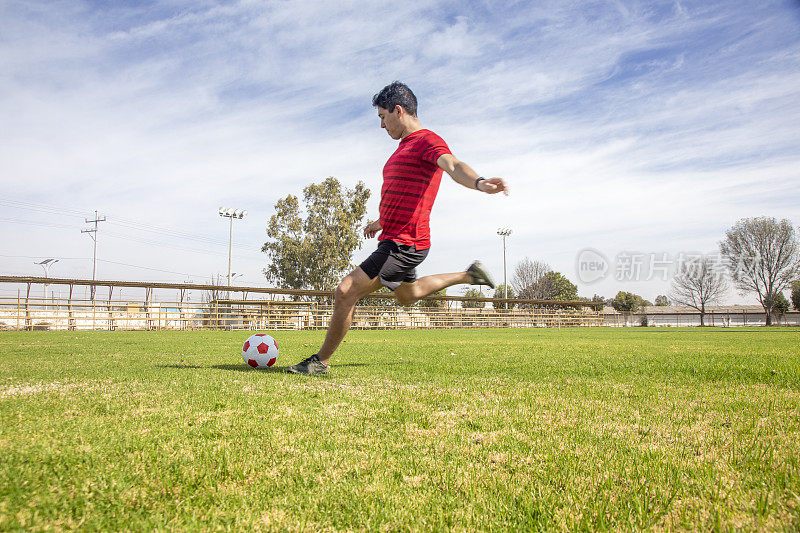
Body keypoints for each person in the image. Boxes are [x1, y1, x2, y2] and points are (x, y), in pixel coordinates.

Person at [286, 81, 509, 374]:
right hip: (397, 237)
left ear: (398, 110)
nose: (381, 126)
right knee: (408, 295)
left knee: (345, 291)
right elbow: (403, 192)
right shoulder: (402, 148)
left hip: (404, 244)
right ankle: (469, 274)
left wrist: (480, 182)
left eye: (382, 117)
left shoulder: (427, 141)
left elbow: (454, 166)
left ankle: (320, 362)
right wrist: (380, 221)